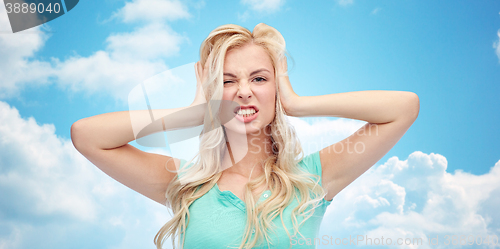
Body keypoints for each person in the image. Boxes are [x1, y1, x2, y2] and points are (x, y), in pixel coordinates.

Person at [71, 23, 419, 249]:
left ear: (276, 87)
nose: (243, 92)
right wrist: (193, 115)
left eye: (259, 79)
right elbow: (86, 135)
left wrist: (296, 103)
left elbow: (403, 107)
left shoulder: (312, 178)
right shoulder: (188, 184)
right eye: (227, 81)